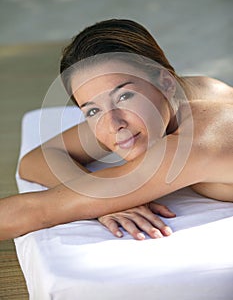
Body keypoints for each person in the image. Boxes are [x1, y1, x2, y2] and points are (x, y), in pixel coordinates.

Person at [0, 19, 232, 242]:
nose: (113, 124)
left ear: (166, 82)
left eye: (123, 96)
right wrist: (103, 198)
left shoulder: (199, 139)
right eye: (92, 111)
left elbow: (38, 211)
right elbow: (36, 159)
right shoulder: (174, 98)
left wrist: (101, 196)